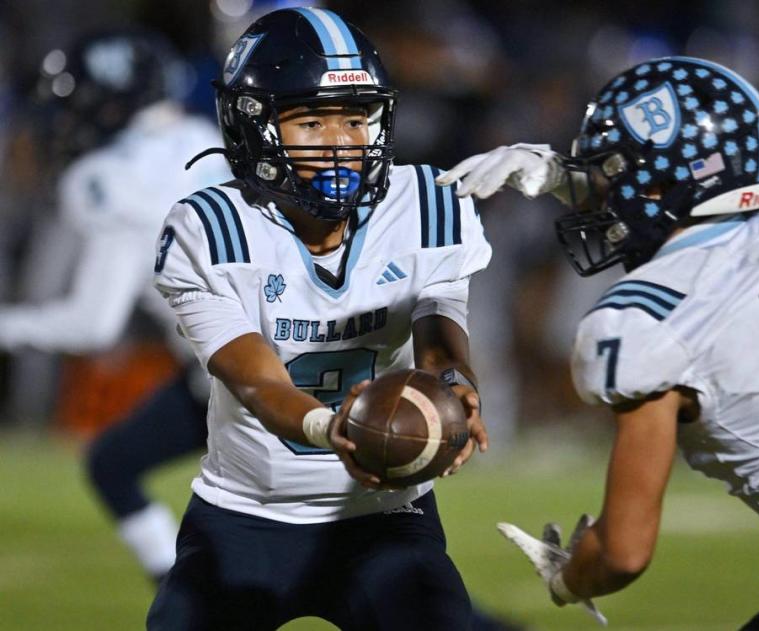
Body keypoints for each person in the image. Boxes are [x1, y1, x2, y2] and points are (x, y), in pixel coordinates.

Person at [439, 57, 759, 630]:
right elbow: (687, 192)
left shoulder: (644, 321)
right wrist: (563, 174)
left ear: (657, 180)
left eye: (611, 174)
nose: (601, 197)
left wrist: (571, 576)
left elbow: (623, 552)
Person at [147, 8, 494, 630]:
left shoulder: (427, 205)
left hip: (387, 518)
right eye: (311, 121)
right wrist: (330, 427)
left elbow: (440, 339)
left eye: (356, 119)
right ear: (254, 128)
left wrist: (455, 387)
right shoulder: (211, 227)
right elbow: (257, 382)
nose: (342, 142)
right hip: (244, 517)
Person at [0, 31, 229, 582]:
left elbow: (91, 324)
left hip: (237, 383)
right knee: (113, 464)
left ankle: (190, 593)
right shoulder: (203, 134)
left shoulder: (106, 180)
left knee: (314, 559)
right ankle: (183, 588)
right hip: (283, 353)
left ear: (109, 105)